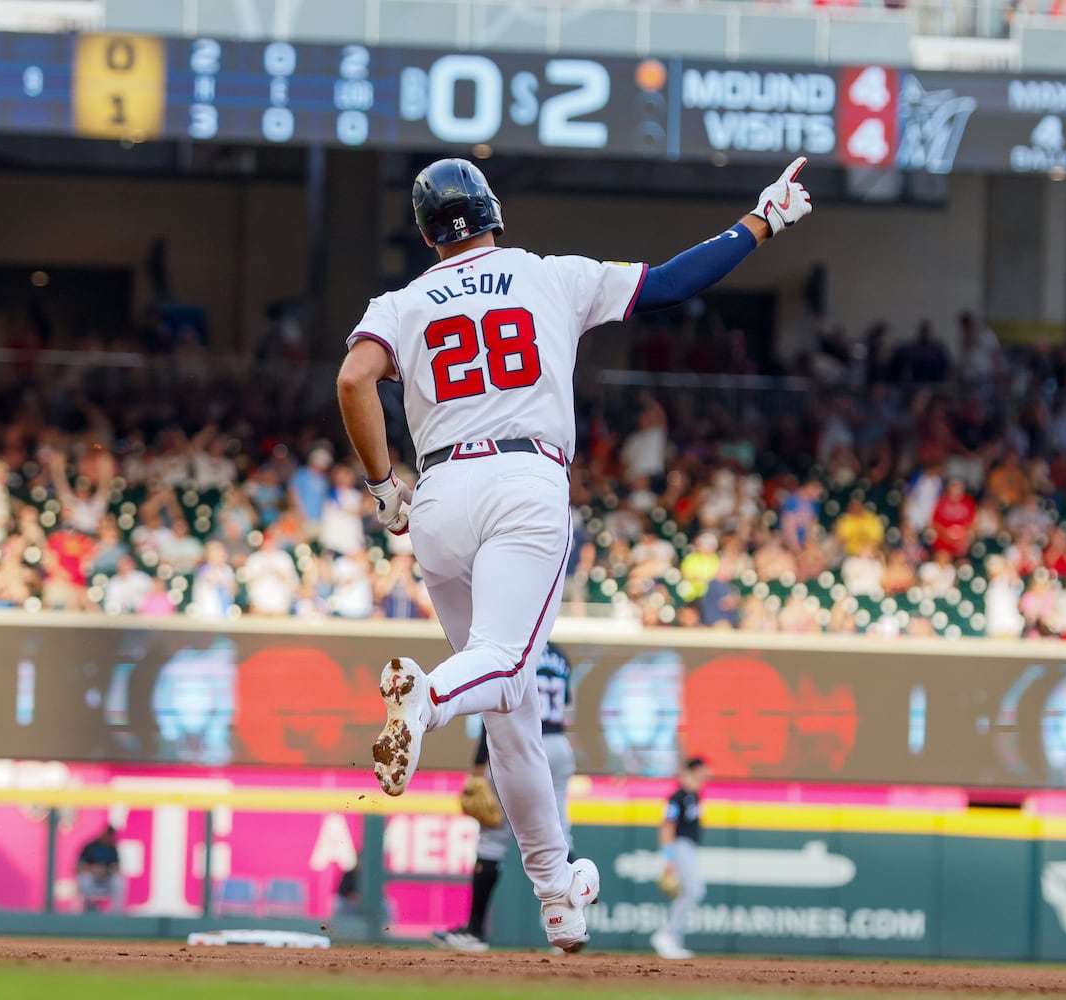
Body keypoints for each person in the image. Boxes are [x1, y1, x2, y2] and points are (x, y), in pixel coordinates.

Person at [337, 156, 813, 952]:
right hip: (524, 477)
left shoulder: (405, 299)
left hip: (441, 493)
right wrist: (761, 220)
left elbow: (355, 380)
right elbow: (670, 282)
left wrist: (385, 486)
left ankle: (558, 892)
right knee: (505, 669)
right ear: (493, 213)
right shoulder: (550, 275)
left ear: (425, 234)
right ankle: (425, 701)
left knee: (514, 717)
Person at [433, 641, 576, 953]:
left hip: (524, 746)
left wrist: (476, 767)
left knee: (493, 840)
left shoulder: (513, 644)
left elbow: (498, 711)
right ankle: (572, 920)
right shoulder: (561, 655)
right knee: (559, 836)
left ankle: (474, 932)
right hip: (560, 747)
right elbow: (567, 711)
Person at [652, 757, 708, 961]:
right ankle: (667, 935)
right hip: (679, 845)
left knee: (690, 891)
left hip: (689, 847)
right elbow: (667, 826)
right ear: (691, 772)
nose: (705, 777)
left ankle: (673, 937)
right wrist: (668, 858)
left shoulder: (695, 796)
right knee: (694, 890)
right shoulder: (678, 797)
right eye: (701, 772)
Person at [75, 825, 125, 912]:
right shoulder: (90, 846)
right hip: (92, 877)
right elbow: (78, 867)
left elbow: (117, 867)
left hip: (106, 879)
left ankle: (117, 912)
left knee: (119, 882)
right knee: (85, 880)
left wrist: (107, 870)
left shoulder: (112, 848)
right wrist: (93, 869)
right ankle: (88, 907)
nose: (111, 839)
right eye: (110, 836)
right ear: (105, 834)